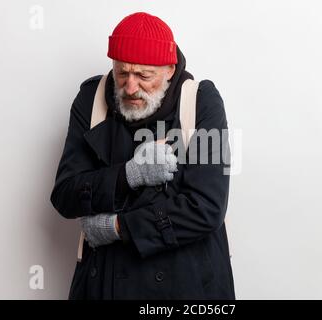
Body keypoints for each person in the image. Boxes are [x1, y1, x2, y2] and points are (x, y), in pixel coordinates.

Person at [50, 11, 235, 300]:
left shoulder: (202, 102)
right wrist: (129, 175)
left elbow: (207, 207)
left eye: (143, 75)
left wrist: (117, 227)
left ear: (169, 69)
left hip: (183, 287)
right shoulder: (91, 98)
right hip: (104, 285)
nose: (130, 87)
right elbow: (64, 195)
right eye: (122, 73)